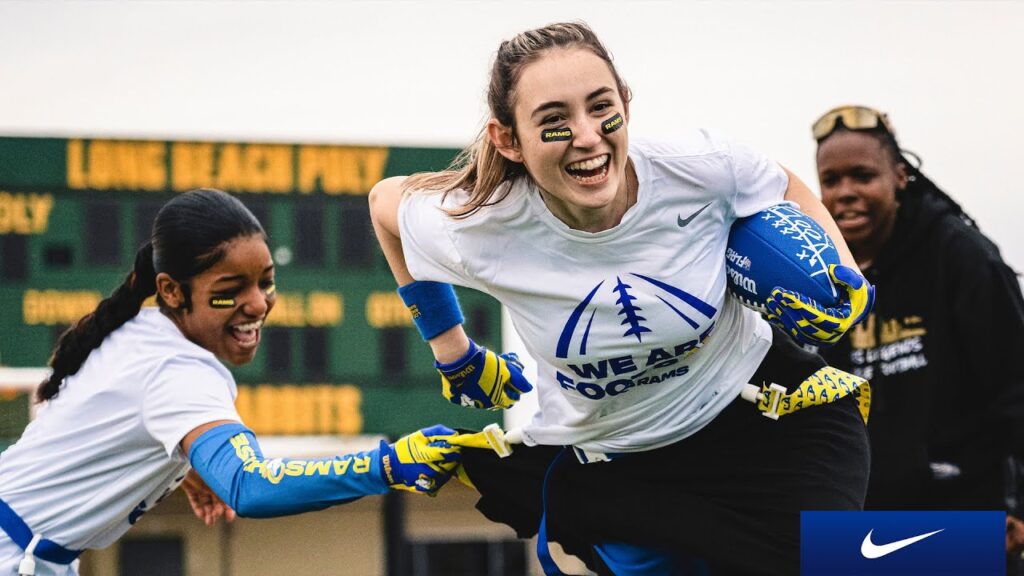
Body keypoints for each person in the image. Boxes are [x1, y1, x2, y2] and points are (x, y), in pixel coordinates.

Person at [369, 22, 874, 575]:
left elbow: (783, 184)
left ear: (626, 107)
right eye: (555, 121)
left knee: (843, 562)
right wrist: (455, 354)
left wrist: (839, 269)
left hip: (771, 424)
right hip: (625, 468)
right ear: (507, 139)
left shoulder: (699, 167)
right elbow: (385, 203)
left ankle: (975, 554)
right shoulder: (481, 225)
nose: (587, 135)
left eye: (600, 108)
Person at [0, 188, 462, 576]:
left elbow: (102, 425)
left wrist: (182, 463)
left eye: (265, 282)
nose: (258, 304)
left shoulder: (140, 329)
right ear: (171, 291)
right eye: (231, 289)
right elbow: (251, 486)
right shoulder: (179, 370)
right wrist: (388, 464)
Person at [810, 105, 1024, 565]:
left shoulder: (961, 255)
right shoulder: (813, 272)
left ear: (900, 176)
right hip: (856, 519)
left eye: (863, 176)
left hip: (967, 512)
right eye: (831, 181)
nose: (845, 194)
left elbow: (1017, 386)